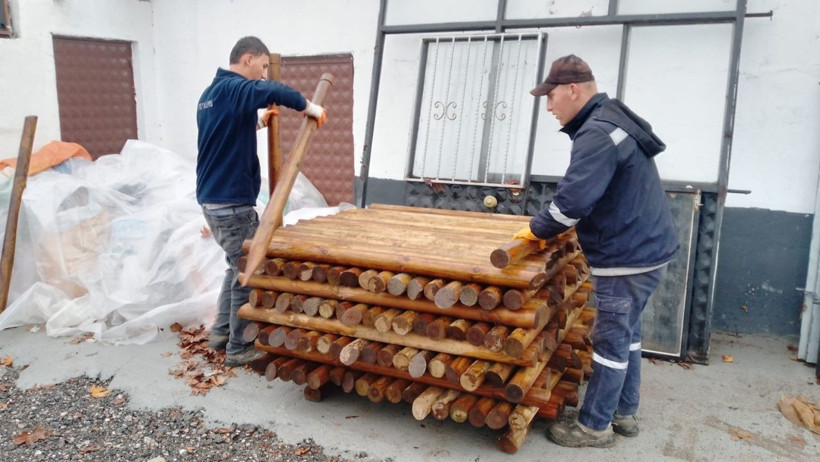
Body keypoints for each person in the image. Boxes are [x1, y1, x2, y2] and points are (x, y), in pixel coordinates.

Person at [514, 55, 679, 447]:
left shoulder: (596, 133)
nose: (549, 107)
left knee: (609, 341)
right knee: (628, 334)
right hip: (648, 249)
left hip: (627, 257)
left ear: (572, 90)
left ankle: (594, 426)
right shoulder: (612, 120)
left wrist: (536, 230)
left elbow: (572, 203)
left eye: (551, 96)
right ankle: (624, 412)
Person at [196, 36, 327, 367]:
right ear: (248, 59)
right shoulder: (233, 88)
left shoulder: (209, 95)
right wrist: (310, 107)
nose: (265, 73)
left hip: (212, 199)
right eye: (264, 66)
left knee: (234, 265)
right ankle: (239, 347)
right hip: (232, 204)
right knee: (248, 270)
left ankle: (221, 333)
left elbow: (223, 133)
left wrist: (257, 122)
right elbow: (274, 91)